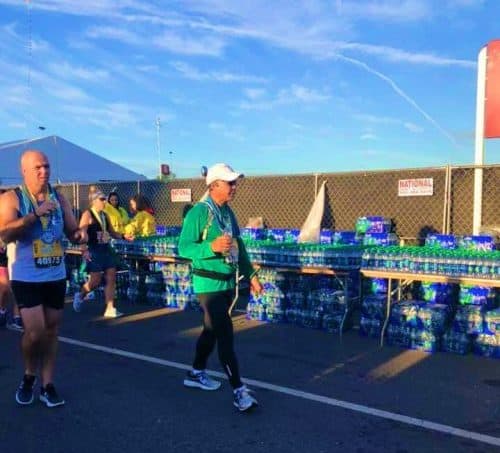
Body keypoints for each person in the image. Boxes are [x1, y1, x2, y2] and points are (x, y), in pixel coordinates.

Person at [0, 150, 87, 407]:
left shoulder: (59, 198)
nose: (44, 171)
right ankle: (29, 375)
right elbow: (4, 233)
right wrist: (34, 215)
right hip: (26, 275)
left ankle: (47, 384)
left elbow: (72, 231)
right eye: (38, 167)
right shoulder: (11, 198)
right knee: (35, 331)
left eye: (47, 166)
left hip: (55, 273)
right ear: (24, 171)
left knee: (51, 330)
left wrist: (80, 235)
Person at [178, 163, 263, 412]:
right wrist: (210, 247)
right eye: (230, 182)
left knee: (210, 330)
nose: (234, 187)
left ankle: (195, 373)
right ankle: (238, 391)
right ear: (214, 185)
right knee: (225, 332)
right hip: (208, 285)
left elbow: (239, 246)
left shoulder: (227, 212)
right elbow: (184, 248)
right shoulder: (198, 213)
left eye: (235, 182)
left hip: (227, 283)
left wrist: (251, 275)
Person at [73, 187, 131, 318]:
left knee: (111, 276)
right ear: (94, 201)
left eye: (105, 199)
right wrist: (84, 250)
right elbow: (82, 233)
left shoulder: (105, 215)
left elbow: (112, 232)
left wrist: (123, 236)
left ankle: (110, 308)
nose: (105, 201)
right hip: (94, 250)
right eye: (102, 199)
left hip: (105, 249)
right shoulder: (88, 214)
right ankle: (81, 294)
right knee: (95, 281)